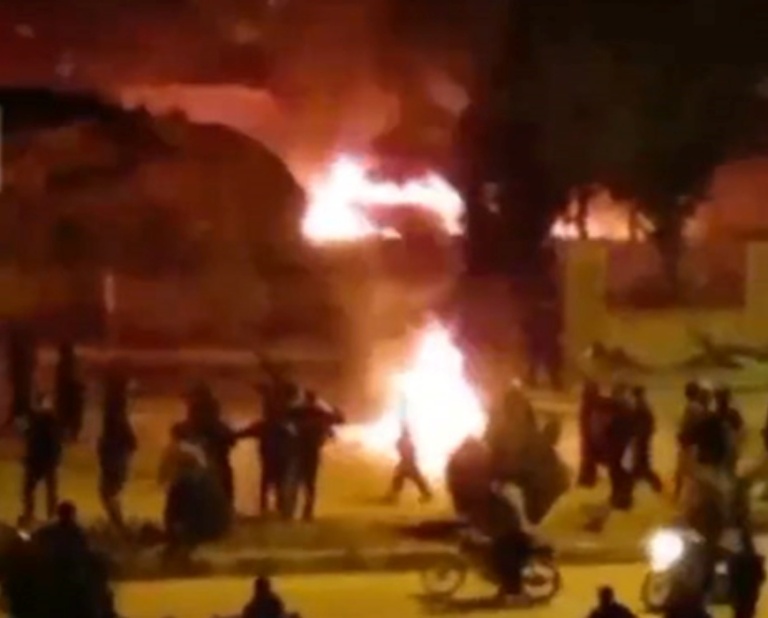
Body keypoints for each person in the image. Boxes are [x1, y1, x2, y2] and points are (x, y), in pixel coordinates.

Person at [290, 390, 344, 520]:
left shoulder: (299, 410)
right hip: (309, 450)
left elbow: (338, 420)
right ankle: (307, 510)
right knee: (309, 482)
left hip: (299, 450)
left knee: (296, 481)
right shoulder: (319, 412)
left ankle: (293, 510)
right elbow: (339, 420)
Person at [182, 383, 237, 510]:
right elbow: (231, 440)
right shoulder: (217, 427)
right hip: (213, 467)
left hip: (209, 467)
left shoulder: (194, 427)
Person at [97, 368, 137, 530]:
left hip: (113, 452)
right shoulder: (116, 409)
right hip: (116, 451)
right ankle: (118, 524)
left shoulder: (113, 409)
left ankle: (118, 525)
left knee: (108, 491)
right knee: (110, 491)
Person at [21, 397, 63, 524]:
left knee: (30, 490)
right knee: (49, 492)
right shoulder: (51, 422)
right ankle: (50, 516)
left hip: (37, 461)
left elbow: (32, 440)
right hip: (45, 462)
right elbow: (55, 443)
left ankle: (30, 515)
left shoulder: (38, 421)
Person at [629, 385, 663, 493]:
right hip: (643, 435)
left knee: (641, 458)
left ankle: (652, 481)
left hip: (641, 435)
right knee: (641, 459)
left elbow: (637, 420)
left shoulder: (640, 405)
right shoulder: (644, 404)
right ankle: (640, 477)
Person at [387, 424, 431, 503]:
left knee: (401, 478)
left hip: (407, 463)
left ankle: (393, 497)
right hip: (408, 462)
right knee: (402, 479)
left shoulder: (403, 440)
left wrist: (408, 460)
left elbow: (405, 450)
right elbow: (408, 451)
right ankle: (393, 497)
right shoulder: (405, 440)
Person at [728, 533, 765, 618]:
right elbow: (761, 577)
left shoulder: (735, 559)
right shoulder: (755, 559)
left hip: (740, 594)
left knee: (741, 612)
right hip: (749, 593)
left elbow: (732, 576)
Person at [54, 343, 85, 442]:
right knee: (72, 415)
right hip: (73, 392)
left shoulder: (62, 365)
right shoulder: (75, 363)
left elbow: (60, 382)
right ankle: (72, 434)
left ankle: (65, 433)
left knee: (64, 415)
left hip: (67, 393)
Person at [713, 385, 744, 473]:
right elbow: (740, 428)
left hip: (720, 448)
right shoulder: (733, 413)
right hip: (728, 447)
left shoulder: (713, 415)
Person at [578, 380, 603, 487]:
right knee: (589, 457)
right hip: (591, 436)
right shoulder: (595, 405)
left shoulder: (586, 405)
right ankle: (588, 478)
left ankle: (586, 478)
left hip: (588, 436)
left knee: (587, 457)